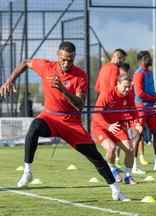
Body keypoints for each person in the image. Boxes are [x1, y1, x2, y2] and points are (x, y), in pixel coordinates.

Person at [0, 41, 129, 201]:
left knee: (95, 156)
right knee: (34, 128)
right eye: (63, 59)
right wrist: (10, 80)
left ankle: (116, 190)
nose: (66, 63)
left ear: (74, 58)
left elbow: (80, 105)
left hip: (71, 123)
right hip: (50, 117)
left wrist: (63, 89)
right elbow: (26, 63)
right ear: (58, 56)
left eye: (70, 60)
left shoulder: (80, 75)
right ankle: (28, 172)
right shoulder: (47, 67)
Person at [92, 74, 143, 185]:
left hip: (117, 126)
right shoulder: (107, 94)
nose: (127, 89)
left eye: (129, 87)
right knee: (111, 148)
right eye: (125, 86)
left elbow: (133, 112)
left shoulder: (129, 95)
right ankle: (113, 170)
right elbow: (96, 114)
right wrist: (108, 126)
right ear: (117, 84)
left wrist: (137, 124)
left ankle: (128, 176)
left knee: (130, 150)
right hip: (101, 127)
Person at [133, 50, 156, 172]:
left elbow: (150, 90)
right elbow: (139, 93)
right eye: (147, 58)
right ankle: (133, 166)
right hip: (140, 107)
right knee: (138, 135)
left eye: (149, 57)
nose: (150, 59)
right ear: (141, 60)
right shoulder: (139, 74)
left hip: (150, 108)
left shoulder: (149, 72)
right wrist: (153, 97)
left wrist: (155, 95)